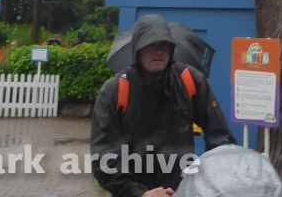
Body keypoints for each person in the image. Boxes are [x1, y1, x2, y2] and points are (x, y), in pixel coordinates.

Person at [91, 14, 236, 197]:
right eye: (151, 45)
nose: (158, 51)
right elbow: (102, 159)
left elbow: (220, 139)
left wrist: (209, 183)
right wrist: (140, 193)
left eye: (164, 45)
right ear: (138, 49)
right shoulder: (115, 90)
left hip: (181, 191)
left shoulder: (190, 81)